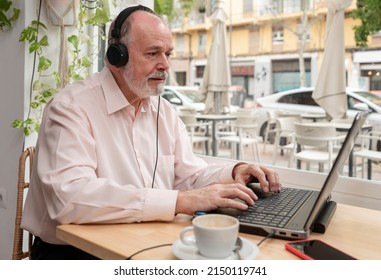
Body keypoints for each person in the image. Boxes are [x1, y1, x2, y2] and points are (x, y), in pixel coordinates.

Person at [21, 5, 281, 260]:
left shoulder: (164, 111)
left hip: (142, 240)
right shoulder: (70, 107)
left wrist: (234, 172)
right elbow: (70, 199)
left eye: (168, 53)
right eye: (153, 53)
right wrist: (181, 201)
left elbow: (189, 175)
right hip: (74, 253)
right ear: (116, 57)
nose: (165, 65)